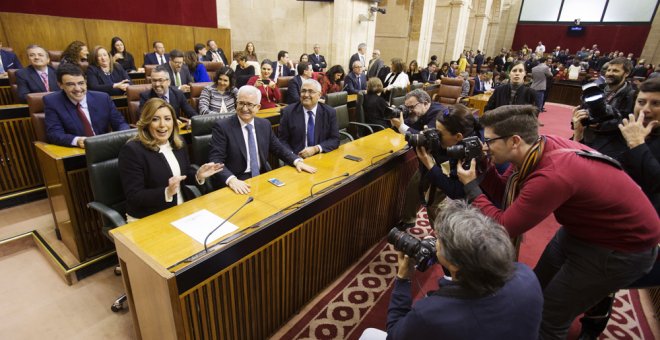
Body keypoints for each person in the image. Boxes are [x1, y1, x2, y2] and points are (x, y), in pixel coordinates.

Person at [456, 104, 659, 340]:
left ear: (514, 141)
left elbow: (503, 225)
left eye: (489, 140)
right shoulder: (536, 148)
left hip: (621, 249)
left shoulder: (551, 174)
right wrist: (484, 167)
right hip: (581, 229)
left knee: (551, 318)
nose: (485, 146)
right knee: (535, 287)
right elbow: (504, 193)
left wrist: (471, 187)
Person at [361, 200, 543, 340]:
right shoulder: (528, 277)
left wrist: (403, 279)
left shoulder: (432, 314)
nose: (434, 240)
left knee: (369, 334)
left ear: (456, 264)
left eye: (439, 239)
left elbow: (395, 334)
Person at [118, 98, 223, 220]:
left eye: (167, 119)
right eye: (155, 119)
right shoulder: (132, 151)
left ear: (174, 122)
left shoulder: (178, 143)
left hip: (179, 208)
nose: (163, 125)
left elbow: (184, 175)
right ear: (146, 123)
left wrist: (198, 175)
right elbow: (134, 196)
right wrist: (166, 192)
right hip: (148, 217)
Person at [208, 86, 317, 194]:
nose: (244, 108)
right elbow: (216, 160)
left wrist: (296, 161)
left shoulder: (264, 124)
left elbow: (278, 148)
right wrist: (232, 180)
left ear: (258, 107)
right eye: (241, 103)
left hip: (262, 176)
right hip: (237, 179)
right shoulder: (222, 127)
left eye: (250, 104)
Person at [390, 89, 449, 229]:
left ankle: (443, 240)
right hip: (427, 161)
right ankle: (409, 219)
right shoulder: (421, 113)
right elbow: (411, 129)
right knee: (413, 188)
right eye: (407, 107)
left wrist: (402, 126)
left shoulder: (438, 114)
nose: (409, 111)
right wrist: (396, 122)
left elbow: (423, 139)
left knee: (433, 204)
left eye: (412, 107)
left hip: (443, 164)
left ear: (425, 103)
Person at [44, 63, 130, 148]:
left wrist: (122, 136)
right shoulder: (53, 102)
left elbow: (120, 123)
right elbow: (54, 134)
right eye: (70, 84)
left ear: (86, 82)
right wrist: (77, 141)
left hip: (105, 147)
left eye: (81, 83)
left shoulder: (102, 98)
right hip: (77, 152)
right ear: (60, 85)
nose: (77, 89)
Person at [415, 104, 482, 206]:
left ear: (458, 136)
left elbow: (456, 192)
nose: (437, 136)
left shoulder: (472, 153)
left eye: (439, 134)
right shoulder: (463, 137)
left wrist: (429, 164)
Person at [572, 58, 638, 160]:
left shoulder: (632, 96)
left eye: (615, 71)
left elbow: (628, 122)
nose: (610, 73)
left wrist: (600, 123)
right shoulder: (595, 89)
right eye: (608, 70)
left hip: (610, 146)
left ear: (626, 73)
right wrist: (578, 119)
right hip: (586, 137)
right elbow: (583, 110)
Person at [279, 79, 339, 158]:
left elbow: (335, 139)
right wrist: (293, 157)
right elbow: (282, 141)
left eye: (311, 91)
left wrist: (316, 149)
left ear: (319, 95)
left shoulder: (329, 112)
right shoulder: (288, 112)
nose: (306, 95)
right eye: (303, 91)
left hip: (321, 156)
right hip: (296, 158)